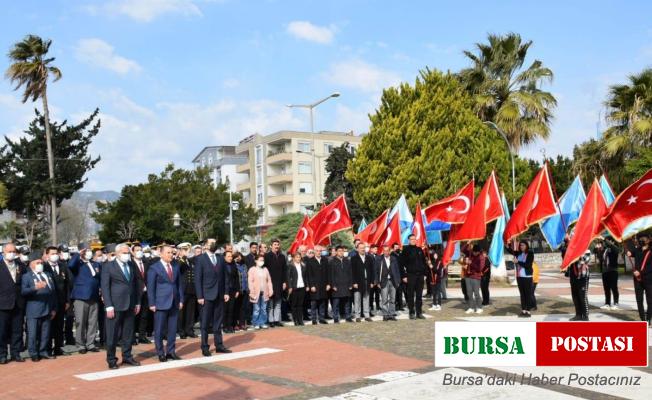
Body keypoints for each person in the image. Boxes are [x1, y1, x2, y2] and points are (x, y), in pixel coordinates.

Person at [101, 243, 141, 369]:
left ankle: (127, 356)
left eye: (128, 253)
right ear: (117, 253)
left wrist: (137, 302)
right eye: (124, 253)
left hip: (130, 304)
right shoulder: (108, 266)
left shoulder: (131, 264)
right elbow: (105, 287)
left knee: (128, 333)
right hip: (115, 305)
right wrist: (108, 306)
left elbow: (135, 285)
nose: (126, 255)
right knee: (112, 334)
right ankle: (111, 359)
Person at [194, 238, 231, 356]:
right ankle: (205, 347)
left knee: (218, 322)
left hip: (219, 295)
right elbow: (198, 279)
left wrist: (226, 292)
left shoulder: (220, 258)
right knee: (204, 323)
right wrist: (200, 295)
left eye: (215, 242)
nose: (214, 244)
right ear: (205, 246)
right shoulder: (200, 259)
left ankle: (219, 345)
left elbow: (225, 277)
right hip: (206, 295)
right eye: (211, 243)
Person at [148, 245, 184, 362]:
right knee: (159, 330)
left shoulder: (175, 266)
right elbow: (151, 287)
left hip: (174, 302)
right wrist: (152, 303)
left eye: (172, 253)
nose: (171, 255)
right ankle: (160, 353)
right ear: (161, 254)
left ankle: (171, 351)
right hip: (160, 303)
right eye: (168, 253)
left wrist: (181, 300)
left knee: (172, 329)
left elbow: (179, 285)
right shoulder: (154, 268)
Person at [21, 259, 57, 362]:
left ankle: (43, 351)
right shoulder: (27, 276)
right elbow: (23, 291)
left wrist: (54, 308)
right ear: (31, 264)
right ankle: (33, 353)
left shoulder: (48, 274)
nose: (40, 265)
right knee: (33, 333)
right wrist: (35, 287)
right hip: (34, 309)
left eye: (41, 263)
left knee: (45, 333)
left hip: (48, 308)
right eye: (37, 263)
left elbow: (53, 292)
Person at [67, 245, 101, 354]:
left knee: (92, 322)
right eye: (87, 251)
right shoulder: (78, 264)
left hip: (94, 296)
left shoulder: (96, 264)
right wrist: (78, 254)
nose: (89, 253)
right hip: (81, 296)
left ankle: (90, 343)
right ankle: (80, 344)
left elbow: (99, 278)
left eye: (90, 250)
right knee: (80, 321)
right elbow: (70, 265)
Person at [0, 243, 27, 364]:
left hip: (18, 303)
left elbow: (24, 282)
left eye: (13, 251)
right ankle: (2, 354)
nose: (12, 254)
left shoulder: (20, 266)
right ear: (3, 253)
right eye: (9, 251)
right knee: (2, 331)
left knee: (17, 330)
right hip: (3, 303)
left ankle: (16, 353)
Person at [43, 246, 71, 356]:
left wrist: (68, 301)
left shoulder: (63, 266)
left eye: (56, 253)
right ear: (47, 255)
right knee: (49, 326)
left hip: (62, 301)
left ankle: (58, 348)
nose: (55, 255)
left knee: (59, 326)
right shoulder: (44, 267)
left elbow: (67, 284)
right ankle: (48, 349)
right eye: (52, 253)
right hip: (50, 302)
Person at [400, 235, 428, 319]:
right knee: (411, 295)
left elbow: (424, 263)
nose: (413, 240)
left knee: (419, 295)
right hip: (410, 275)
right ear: (408, 240)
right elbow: (401, 264)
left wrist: (425, 274)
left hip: (420, 276)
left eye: (414, 239)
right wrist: (404, 276)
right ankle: (411, 312)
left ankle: (419, 312)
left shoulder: (419, 250)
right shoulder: (405, 250)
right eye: (411, 239)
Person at [626, 233, 652, 325]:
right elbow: (630, 252)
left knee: (650, 300)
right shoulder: (637, 250)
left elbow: (650, 267)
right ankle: (642, 319)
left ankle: (649, 318)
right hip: (637, 280)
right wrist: (628, 250)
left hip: (649, 279)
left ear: (649, 240)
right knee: (639, 299)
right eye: (640, 238)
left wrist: (640, 272)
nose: (641, 240)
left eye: (643, 238)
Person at [506, 240, 534, 318]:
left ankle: (528, 311)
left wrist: (518, 262)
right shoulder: (518, 253)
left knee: (527, 294)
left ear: (527, 246)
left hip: (527, 277)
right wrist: (507, 245)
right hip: (519, 277)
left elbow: (528, 265)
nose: (522, 247)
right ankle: (523, 310)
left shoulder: (530, 253)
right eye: (521, 245)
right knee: (522, 294)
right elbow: (511, 251)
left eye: (523, 245)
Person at [131, 244, 152, 344]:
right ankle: (132, 337)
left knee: (144, 315)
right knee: (134, 315)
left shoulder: (146, 262)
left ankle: (142, 336)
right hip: (135, 292)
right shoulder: (130, 263)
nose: (139, 252)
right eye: (137, 250)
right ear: (133, 252)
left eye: (140, 250)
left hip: (146, 292)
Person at [264, 239, 287, 328]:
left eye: (278, 244)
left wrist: (285, 282)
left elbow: (285, 270)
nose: (277, 246)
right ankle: (271, 321)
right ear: (271, 246)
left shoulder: (282, 256)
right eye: (275, 244)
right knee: (270, 304)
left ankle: (277, 320)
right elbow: (265, 270)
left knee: (278, 303)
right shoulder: (267, 256)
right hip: (270, 283)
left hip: (280, 283)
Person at [177, 243, 197, 339]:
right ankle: (181, 331)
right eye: (184, 249)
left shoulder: (190, 261)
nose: (186, 251)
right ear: (180, 251)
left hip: (192, 290)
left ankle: (189, 330)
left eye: (187, 249)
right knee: (182, 312)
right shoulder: (177, 261)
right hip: (182, 290)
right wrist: (183, 256)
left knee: (190, 312)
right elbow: (178, 268)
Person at [374, 245, 400, 321]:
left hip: (393, 281)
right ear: (383, 251)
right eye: (384, 250)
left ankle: (391, 314)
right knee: (384, 299)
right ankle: (385, 314)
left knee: (392, 299)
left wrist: (398, 280)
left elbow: (397, 270)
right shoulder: (379, 259)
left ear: (389, 251)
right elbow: (376, 271)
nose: (386, 252)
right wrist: (377, 282)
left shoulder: (393, 258)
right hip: (383, 281)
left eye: (387, 250)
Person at [305, 246, 329, 325]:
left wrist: (328, 284)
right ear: (314, 252)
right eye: (317, 251)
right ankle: (314, 319)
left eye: (320, 251)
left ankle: (321, 318)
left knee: (322, 302)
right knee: (314, 303)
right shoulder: (310, 261)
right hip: (314, 285)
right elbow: (309, 274)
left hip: (323, 285)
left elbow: (327, 273)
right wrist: (311, 285)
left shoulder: (325, 260)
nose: (319, 252)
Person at [248, 254, 273, 329]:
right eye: (260, 260)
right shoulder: (252, 269)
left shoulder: (265, 269)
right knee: (256, 309)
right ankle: (256, 323)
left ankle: (262, 322)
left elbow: (269, 281)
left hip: (264, 292)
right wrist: (252, 292)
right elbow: (250, 282)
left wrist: (270, 290)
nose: (262, 262)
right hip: (256, 293)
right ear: (256, 261)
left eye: (263, 260)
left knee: (264, 309)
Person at [329, 246, 353, 323]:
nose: (341, 252)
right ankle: (336, 317)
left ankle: (348, 317)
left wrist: (350, 284)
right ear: (336, 252)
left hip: (346, 285)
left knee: (347, 303)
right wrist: (333, 285)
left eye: (342, 251)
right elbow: (331, 274)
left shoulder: (347, 261)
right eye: (339, 251)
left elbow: (350, 273)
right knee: (336, 303)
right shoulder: (332, 261)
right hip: (337, 286)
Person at [351, 242, 374, 322]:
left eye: (364, 248)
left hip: (367, 281)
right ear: (357, 249)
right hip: (358, 282)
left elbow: (372, 271)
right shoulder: (354, 258)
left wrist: (372, 282)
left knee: (366, 298)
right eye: (361, 248)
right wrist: (354, 282)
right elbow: (352, 272)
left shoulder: (369, 258)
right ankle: (357, 315)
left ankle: (366, 315)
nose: (363, 249)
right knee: (357, 299)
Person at [594, 238, 620, 310]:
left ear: (612, 241)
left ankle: (616, 303)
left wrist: (607, 241)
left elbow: (617, 251)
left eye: (610, 240)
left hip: (613, 271)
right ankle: (607, 303)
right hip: (605, 271)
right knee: (606, 288)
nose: (607, 243)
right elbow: (600, 257)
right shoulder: (605, 249)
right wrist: (598, 249)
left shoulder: (614, 249)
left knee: (614, 288)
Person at [286, 252, 307, 326]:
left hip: (302, 286)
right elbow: (288, 277)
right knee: (294, 305)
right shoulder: (290, 266)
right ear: (293, 258)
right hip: (294, 287)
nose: (298, 258)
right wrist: (290, 287)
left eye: (299, 257)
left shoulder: (303, 265)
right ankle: (295, 320)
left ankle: (300, 320)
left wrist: (306, 285)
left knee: (300, 305)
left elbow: (305, 277)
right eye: (296, 257)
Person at [569, 251, 591, 321]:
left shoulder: (585, 249)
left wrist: (578, 254)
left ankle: (585, 315)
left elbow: (587, 260)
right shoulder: (571, 249)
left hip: (582, 276)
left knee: (582, 296)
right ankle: (578, 314)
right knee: (575, 296)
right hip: (573, 276)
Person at [462, 244, 484, 314]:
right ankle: (471, 307)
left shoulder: (481, 257)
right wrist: (467, 243)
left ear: (478, 252)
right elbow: (463, 250)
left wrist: (471, 263)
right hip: (468, 276)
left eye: (475, 252)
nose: (474, 253)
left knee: (476, 293)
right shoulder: (470, 253)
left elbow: (480, 268)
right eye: (473, 252)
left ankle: (479, 307)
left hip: (476, 277)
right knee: (469, 293)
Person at [223, 250, 241, 334]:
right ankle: (225, 326)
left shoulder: (233, 265)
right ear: (224, 257)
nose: (230, 258)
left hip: (233, 290)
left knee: (231, 309)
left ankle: (230, 326)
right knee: (225, 309)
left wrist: (237, 289)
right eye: (228, 256)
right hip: (224, 291)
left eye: (231, 256)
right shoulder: (221, 265)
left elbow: (237, 278)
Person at [234, 252, 249, 331]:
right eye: (236, 256)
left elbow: (247, 277)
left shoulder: (244, 266)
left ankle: (242, 323)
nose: (238, 258)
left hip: (245, 289)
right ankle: (235, 324)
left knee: (243, 308)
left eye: (239, 256)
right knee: (236, 308)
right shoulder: (233, 266)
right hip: (237, 290)